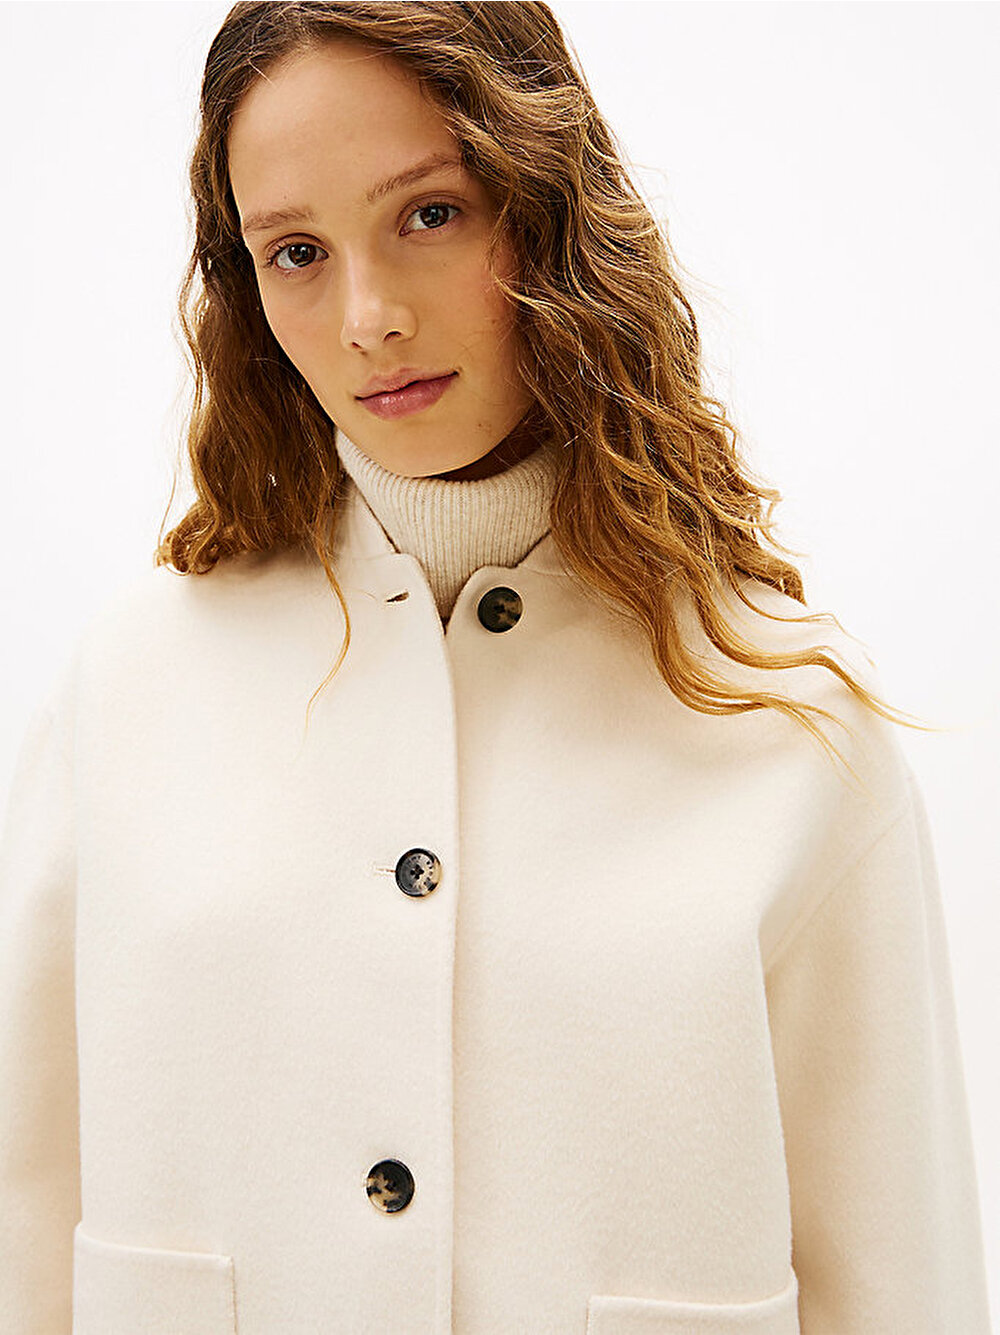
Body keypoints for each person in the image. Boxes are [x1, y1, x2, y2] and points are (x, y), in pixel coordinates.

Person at [0, 2, 990, 1332]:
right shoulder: (128, 691)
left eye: (430, 214)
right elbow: (20, 1227)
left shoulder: (790, 723)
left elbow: (902, 1286)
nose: (369, 318)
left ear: (549, 207)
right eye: (297, 252)